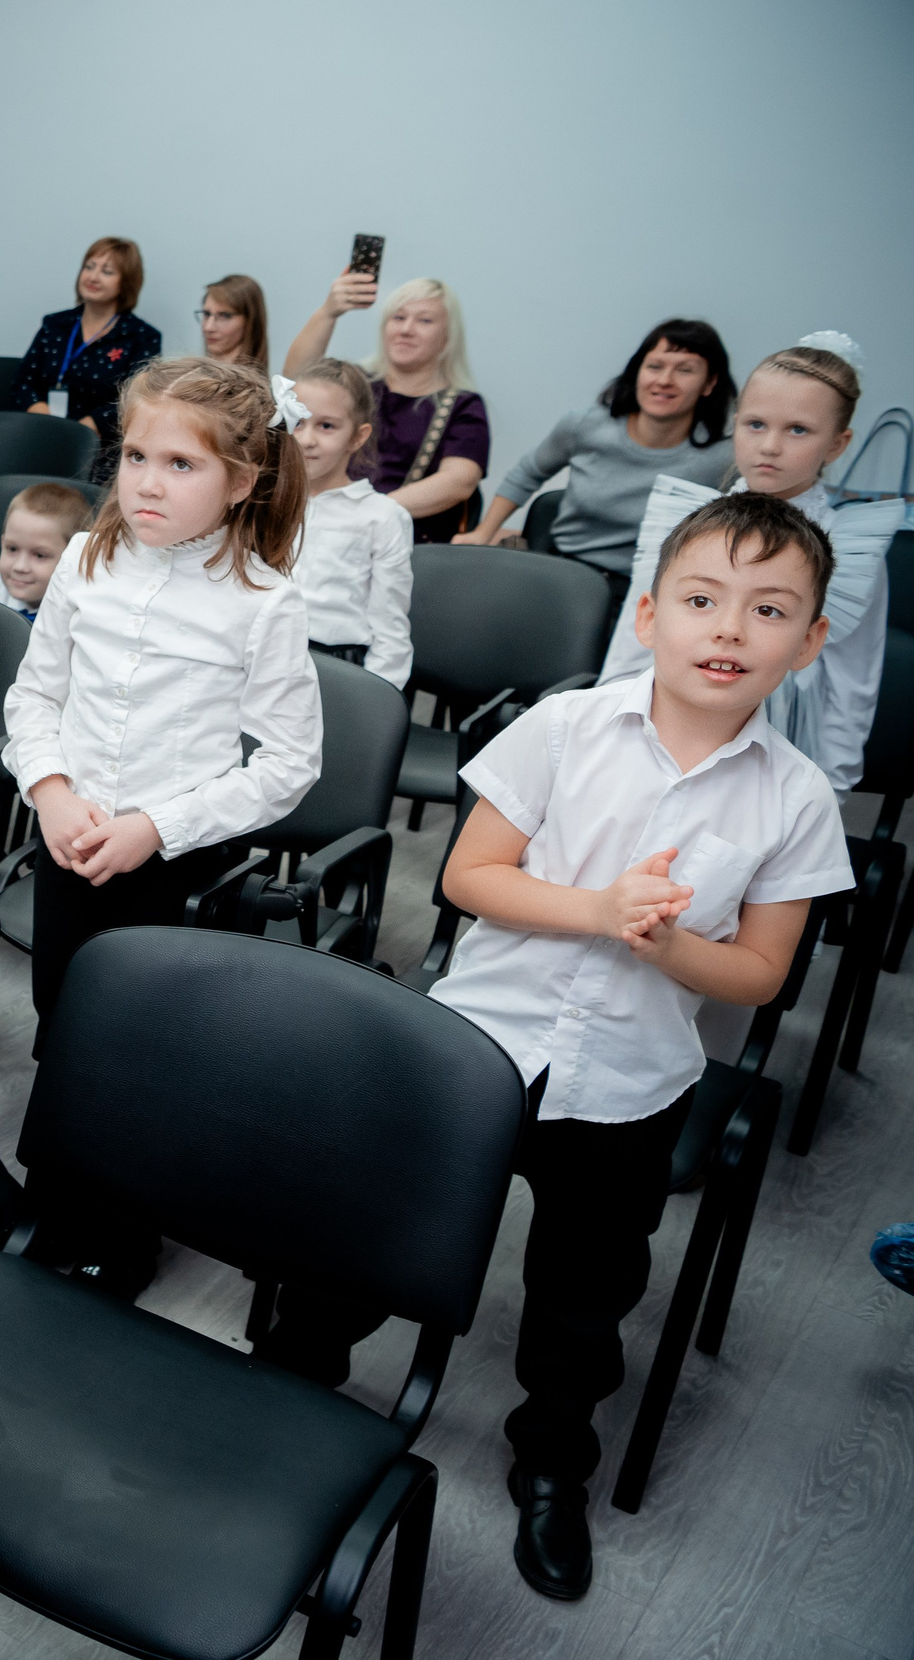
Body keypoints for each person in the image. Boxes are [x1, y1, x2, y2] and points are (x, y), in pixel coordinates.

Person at [328, 497, 844, 1601]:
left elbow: (758, 973)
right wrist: (604, 910)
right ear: (650, 613)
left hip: (628, 1084)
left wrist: (668, 949)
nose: (728, 628)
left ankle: (552, 1462)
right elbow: (471, 878)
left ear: (808, 643)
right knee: (376, 1229)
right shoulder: (564, 727)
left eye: (768, 611)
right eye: (702, 599)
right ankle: (298, 1380)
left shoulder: (797, 798)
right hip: (479, 1043)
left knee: (583, 1294)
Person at [3, 356, 321, 1297]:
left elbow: (288, 763)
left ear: (241, 481)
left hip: (168, 860)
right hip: (72, 840)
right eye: (136, 454)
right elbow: (35, 696)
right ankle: (56, 1205)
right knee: (63, 1027)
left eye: (181, 464)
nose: (146, 480)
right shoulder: (84, 561)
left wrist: (157, 825)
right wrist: (52, 791)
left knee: (142, 1054)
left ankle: (124, 1233)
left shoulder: (264, 600)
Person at [598, 336, 896, 796]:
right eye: (755, 424)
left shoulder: (852, 552)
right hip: (662, 738)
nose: (770, 446)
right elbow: (633, 646)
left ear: (838, 443)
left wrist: (829, 789)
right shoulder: (681, 525)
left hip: (778, 753)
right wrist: (607, 739)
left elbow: (852, 686)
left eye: (798, 430)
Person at [465, 319, 734, 585]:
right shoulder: (584, 426)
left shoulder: (724, 456)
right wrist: (482, 533)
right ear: (637, 372)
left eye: (685, 370)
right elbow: (526, 473)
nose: (664, 380)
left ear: (709, 384)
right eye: (654, 366)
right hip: (562, 574)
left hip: (648, 589)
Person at [283, 271, 488, 541]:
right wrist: (328, 313)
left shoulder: (463, 405)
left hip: (405, 540)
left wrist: (368, 512)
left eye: (424, 320)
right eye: (398, 317)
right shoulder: (355, 384)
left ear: (449, 335)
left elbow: (459, 481)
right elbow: (295, 379)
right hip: (320, 526)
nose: (406, 329)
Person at [291, 360, 415, 687]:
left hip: (335, 669)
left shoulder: (382, 517)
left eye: (326, 426)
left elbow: (390, 626)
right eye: (298, 422)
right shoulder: (269, 501)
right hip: (262, 654)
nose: (306, 439)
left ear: (357, 437)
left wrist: (377, 701)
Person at [9, 235, 162, 457]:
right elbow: (22, 381)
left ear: (126, 282)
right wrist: (42, 414)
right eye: (89, 267)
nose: (93, 277)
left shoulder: (142, 337)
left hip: (100, 446)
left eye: (107, 272)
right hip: (40, 432)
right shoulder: (55, 324)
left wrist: (89, 426)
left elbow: (137, 398)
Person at [0, 481, 89, 619]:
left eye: (39, 555)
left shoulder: (78, 613)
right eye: (12, 549)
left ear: (74, 558)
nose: (20, 566)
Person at [197, 274, 269, 369]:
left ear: (249, 322)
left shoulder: (253, 383)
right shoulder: (188, 375)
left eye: (224, 315)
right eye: (206, 314)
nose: (208, 327)